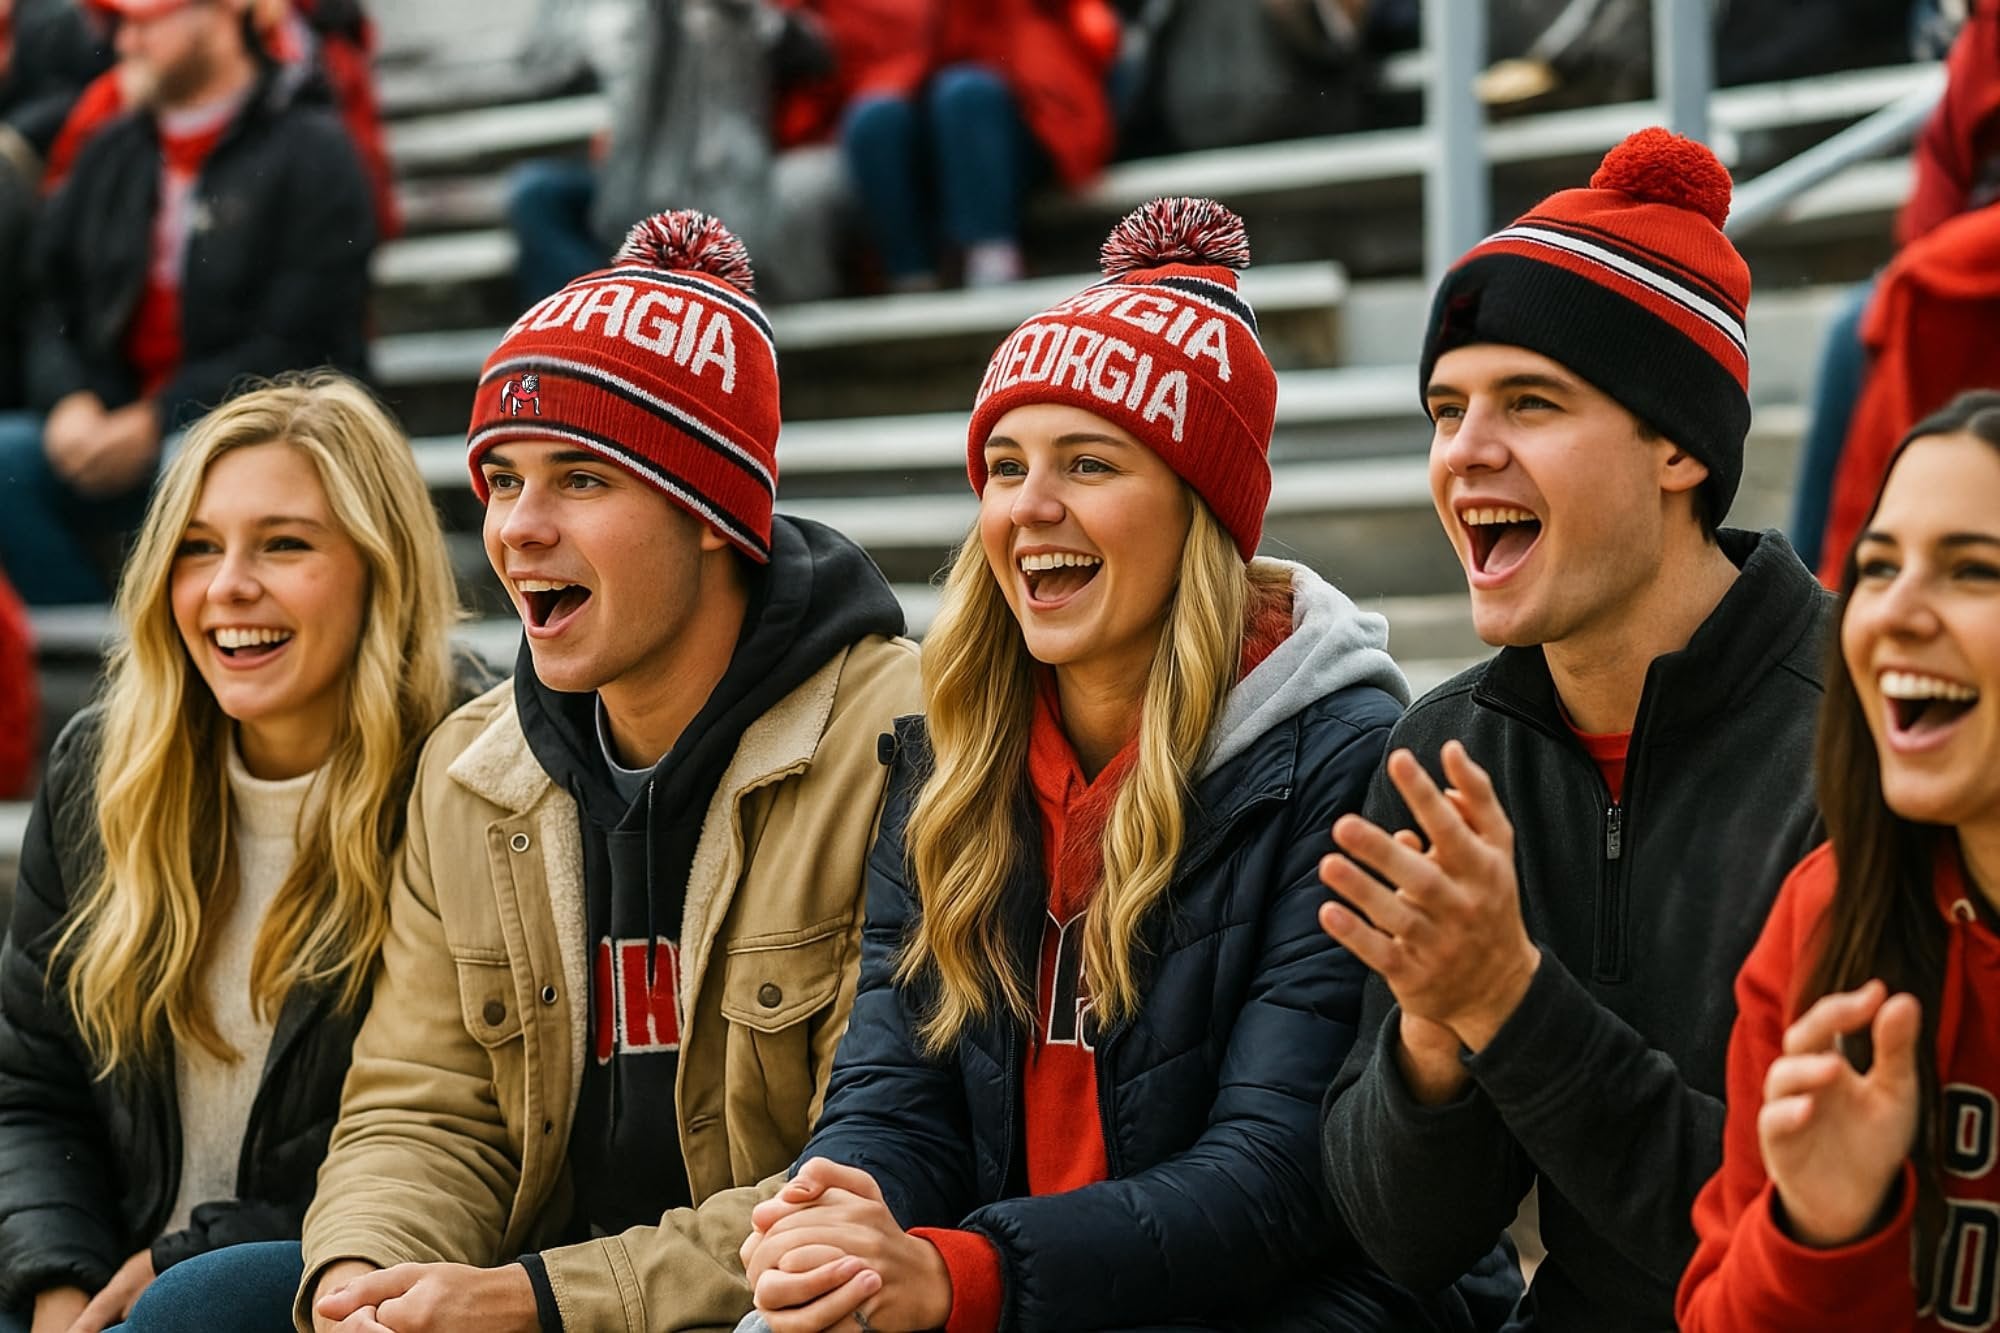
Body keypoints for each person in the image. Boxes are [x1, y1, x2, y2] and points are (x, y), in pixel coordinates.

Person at [130, 211, 922, 1333]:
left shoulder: (902, 735)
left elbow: (874, 1171)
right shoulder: (469, 765)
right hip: (523, 1294)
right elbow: (420, 1109)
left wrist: (534, 1300)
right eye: (501, 480)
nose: (516, 530)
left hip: (767, 1307)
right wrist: (364, 1278)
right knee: (203, 1308)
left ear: (709, 511)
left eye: (579, 481)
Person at [736, 198, 1480, 1333]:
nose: (1030, 509)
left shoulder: (1347, 757)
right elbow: (896, 1088)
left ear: (1198, 511)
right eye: (1002, 464)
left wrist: (959, 1274)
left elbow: (1276, 1175)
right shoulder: (948, 757)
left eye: (1087, 463)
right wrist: (842, 1215)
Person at [1316, 128, 1837, 1332]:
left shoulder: (1863, 740)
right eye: (1445, 409)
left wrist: (1507, 997)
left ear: (1677, 446)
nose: (1464, 453)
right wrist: (1432, 1046)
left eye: (1530, 402)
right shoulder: (1443, 756)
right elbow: (1403, 1237)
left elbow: (1788, 1230)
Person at [0, 374, 464, 1333]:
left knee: (194, 1307)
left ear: (381, 568)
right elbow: (30, 1086)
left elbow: (457, 1136)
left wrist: (179, 1257)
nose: (227, 588)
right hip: (101, 1269)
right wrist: (56, 1280)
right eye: (198, 548)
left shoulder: (469, 777)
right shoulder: (103, 768)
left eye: (284, 544)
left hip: (321, 1268)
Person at [1677, 390, 2000, 1331]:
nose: (1892, 613)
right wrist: (1818, 1227)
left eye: (1973, 571)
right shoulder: (1826, 915)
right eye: (1877, 566)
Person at [0, 0, 375, 606]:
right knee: (4, 460)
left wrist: (157, 418)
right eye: (121, 24)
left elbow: (304, 336)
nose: (126, 41)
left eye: (147, 21)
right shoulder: (111, 150)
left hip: (265, 431)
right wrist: (68, 399)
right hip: (113, 426)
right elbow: (47, 301)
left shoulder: (315, 150)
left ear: (224, 16)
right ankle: (104, 651)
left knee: (202, 462)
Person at [839, 0, 1119, 290]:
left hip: (1024, 114)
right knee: (874, 119)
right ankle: (911, 278)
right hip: (924, 118)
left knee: (964, 95)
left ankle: (991, 259)